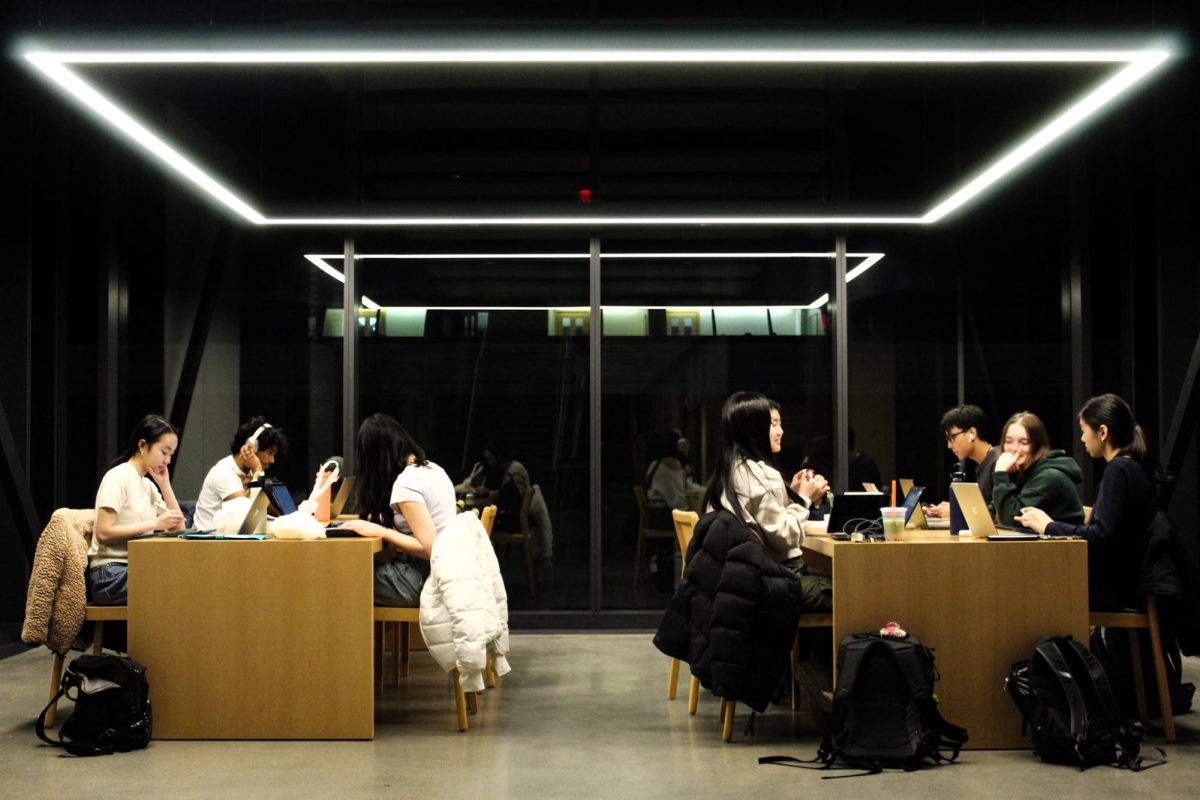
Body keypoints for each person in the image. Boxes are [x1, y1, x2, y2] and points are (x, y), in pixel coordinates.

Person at [1014, 394, 1167, 609]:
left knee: (1030, 590)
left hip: (1118, 588)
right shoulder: (1132, 466)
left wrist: (1048, 526)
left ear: (1102, 432)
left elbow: (1100, 535)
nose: (1082, 438)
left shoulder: (1119, 469)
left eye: (1084, 430)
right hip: (1130, 584)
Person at [337, 413, 457, 607]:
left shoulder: (407, 483)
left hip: (418, 581)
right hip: (438, 577)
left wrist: (381, 531)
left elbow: (431, 548)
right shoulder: (432, 469)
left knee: (334, 577)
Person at [88, 415, 186, 605]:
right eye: (164, 452)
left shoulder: (147, 485)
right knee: (179, 584)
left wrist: (165, 485)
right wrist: (153, 524)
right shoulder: (118, 476)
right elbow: (103, 533)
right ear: (142, 446)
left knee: (186, 578)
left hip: (134, 568)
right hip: (109, 574)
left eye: (171, 455)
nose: (167, 461)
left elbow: (179, 528)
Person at [991, 410, 1084, 529]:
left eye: (1024, 442)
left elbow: (1012, 520)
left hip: (1064, 545)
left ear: (1038, 446)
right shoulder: (1022, 470)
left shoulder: (1049, 476)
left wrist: (1000, 474)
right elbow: (996, 509)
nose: (1014, 448)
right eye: (1008, 441)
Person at [192, 417, 288, 531]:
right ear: (251, 446)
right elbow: (250, 519)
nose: (272, 460)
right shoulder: (223, 473)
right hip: (207, 542)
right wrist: (257, 469)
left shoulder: (251, 473)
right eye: (269, 453)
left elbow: (280, 511)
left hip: (229, 540)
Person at [925, 405, 1001, 519]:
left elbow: (996, 514)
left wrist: (957, 511)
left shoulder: (999, 462)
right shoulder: (984, 463)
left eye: (952, 438)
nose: (949, 445)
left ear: (972, 433)